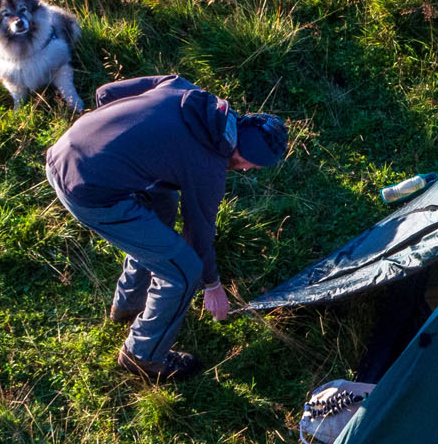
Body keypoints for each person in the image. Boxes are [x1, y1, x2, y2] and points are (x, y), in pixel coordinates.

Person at [45, 74, 289, 383]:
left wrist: (122, 142)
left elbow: (105, 93)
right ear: (241, 152)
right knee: (183, 269)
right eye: (246, 163)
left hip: (65, 148)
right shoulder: (208, 168)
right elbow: (198, 235)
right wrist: (212, 285)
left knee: (162, 203)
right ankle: (143, 355)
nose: (244, 169)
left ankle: (129, 305)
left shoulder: (183, 89)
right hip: (88, 191)